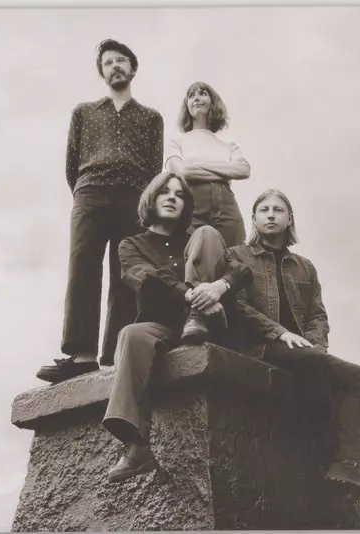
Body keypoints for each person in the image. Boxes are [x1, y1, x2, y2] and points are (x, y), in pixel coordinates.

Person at [228, 189, 360, 505]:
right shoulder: (237, 256)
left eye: (278, 209)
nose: (270, 214)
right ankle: (332, 457)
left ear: (289, 219)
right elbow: (236, 307)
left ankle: (349, 462)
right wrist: (279, 333)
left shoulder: (304, 266)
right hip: (258, 346)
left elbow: (317, 315)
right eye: (263, 209)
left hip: (303, 352)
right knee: (314, 364)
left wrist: (316, 343)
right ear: (253, 219)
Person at [102, 171, 252, 483]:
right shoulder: (131, 245)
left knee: (208, 232)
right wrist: (192, 295)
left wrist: (219, 287)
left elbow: (241, 271)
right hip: (164, 325)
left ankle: (198, 317)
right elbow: (145, 278)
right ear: (151, 199)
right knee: (130, 334)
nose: (172, 198)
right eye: (165, 192)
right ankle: (136, 446)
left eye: (180, 194)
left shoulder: (199, 238)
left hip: (210, 324)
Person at [36, 39, 164, 383]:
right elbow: (72, 164)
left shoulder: (151, 118)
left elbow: (155, 169)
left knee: (128, 272)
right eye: (108, 62)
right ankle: (82, 355)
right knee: (82, 265)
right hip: (90, 192)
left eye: (121, 60)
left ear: (132, 68)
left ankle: (116, 355)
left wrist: (144, 204)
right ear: (102, 72)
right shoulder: (84, 112)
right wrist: (85, 190)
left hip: (134, 198)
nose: (115, 66)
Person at [164, 82, 249, 247]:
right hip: (192, 206)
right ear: (187, 106)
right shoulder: (176, 143)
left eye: (202, 93)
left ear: (213, 102)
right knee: (191, 253)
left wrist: (198, 164)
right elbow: (183, 172)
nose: (196, 98)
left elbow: (243, 170)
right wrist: (225, 171)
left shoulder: (229, 146)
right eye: (191, 95)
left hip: (227, 208)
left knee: (234, 254)